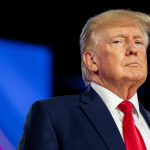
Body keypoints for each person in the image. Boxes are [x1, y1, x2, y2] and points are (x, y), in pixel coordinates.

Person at [17, 9, 150, 150]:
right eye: (118, 41)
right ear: (91, 60)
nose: (133, 49)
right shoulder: (54, 115)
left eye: (139, 42)